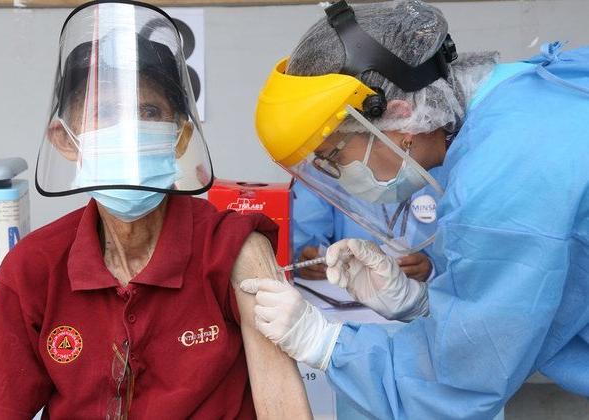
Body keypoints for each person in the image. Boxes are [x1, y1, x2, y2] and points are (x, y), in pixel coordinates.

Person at [0, 2, 310, 418]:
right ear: (65, 139)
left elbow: (283, 407)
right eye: (105, 113)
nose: (127, 132)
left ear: (180, 137)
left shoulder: (236, 251)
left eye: (149, 112)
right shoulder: (33, 268)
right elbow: (6, 409)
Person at [243, 0, 589, 418]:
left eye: (334, 155)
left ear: (399, 117)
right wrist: (422, 302)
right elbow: (547, 298)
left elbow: (462, 383)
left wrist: (322, 342)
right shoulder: (534, 90)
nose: (337, 173)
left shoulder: (499, 184)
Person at [292, 177, 437, 282]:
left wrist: (431, 270)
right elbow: (301, 235)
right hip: (345, 295)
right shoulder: (326, 170)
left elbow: (451, 255)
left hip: (423, 295)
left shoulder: (439, 168)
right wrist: (302, 260)